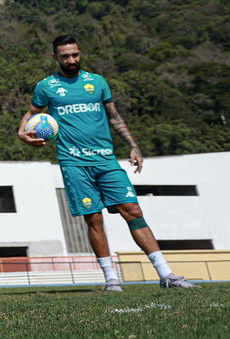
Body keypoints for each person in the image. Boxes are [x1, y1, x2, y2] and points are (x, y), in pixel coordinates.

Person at [17, 35, 196, 292]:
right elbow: (33, 113)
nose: (71, 60)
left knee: (133, 211)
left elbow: (114, 116)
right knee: (94, 219)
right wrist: (21, 132)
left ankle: (167, 275)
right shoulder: (47, 87)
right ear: (55, 58)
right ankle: (111, 279)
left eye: (75, 54)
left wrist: (133, 145)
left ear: (80, 54)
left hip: (106, 159)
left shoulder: (98, 82)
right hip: (73, 162)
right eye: (65, 56)